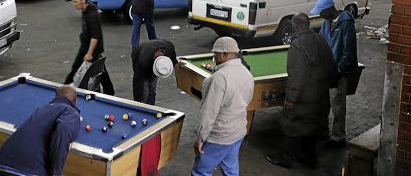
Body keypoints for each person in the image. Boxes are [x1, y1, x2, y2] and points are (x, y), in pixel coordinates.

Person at [265, 13, 337, 169]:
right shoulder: (321, 39)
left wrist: (290, 98)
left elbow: (296, 75)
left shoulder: (296, 45)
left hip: (302, 97)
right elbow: (331, 65)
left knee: (291, 125)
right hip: (320, 95)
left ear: (295, 27)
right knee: (314, 125)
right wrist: (332, 83)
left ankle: (285, 158)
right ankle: (309, 157)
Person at [191, 37, 254, 176]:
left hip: (220, 137)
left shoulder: (219, 78)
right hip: (238, 132)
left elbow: (208, 113)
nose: (213, 56)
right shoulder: (246, 72)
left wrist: (199, 139)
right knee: (230, 170)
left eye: (215, 53)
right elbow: (248, 99)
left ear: (225, 54)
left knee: (200, 172)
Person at [0, 85, 80, 176]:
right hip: (28, 167)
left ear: (56, 97)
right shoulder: (70, 111)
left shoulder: (41, 109)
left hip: (2, 161)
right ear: (75, 102)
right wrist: (57, 172)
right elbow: (63, 131)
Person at [311, 0, 358, 148]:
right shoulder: (326, 22)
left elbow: (348, 51)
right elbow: (323, 43)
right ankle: (323, 132)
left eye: (321, 12)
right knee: (323, 104)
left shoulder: (346, 23)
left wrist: (340, 68)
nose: (319, 15)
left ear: (329, 9)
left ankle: (338, 137)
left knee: (337, 106)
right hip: (326, 70)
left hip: (339, 72)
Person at [64, 0, 114, 95]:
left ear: (83, 1)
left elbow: (95, 36)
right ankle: (109, 91)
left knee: (88, 69)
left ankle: (65, 87)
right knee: (100, 71)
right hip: (86, 46)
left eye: (76, 1)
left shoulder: (91, 15)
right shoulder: (86, 10)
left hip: (91, 49)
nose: (74, 4)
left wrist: (89, 53)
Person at [131, 39, 184, 105]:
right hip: (138, 54)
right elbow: (137, 81)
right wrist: (139, 100)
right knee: (144, 90)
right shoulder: (142, 63)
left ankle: (152, 108)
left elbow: (172, 54)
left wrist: (175, 62)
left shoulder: (170, 47)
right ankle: (144, 108)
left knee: (152, 89)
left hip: (150, 53)